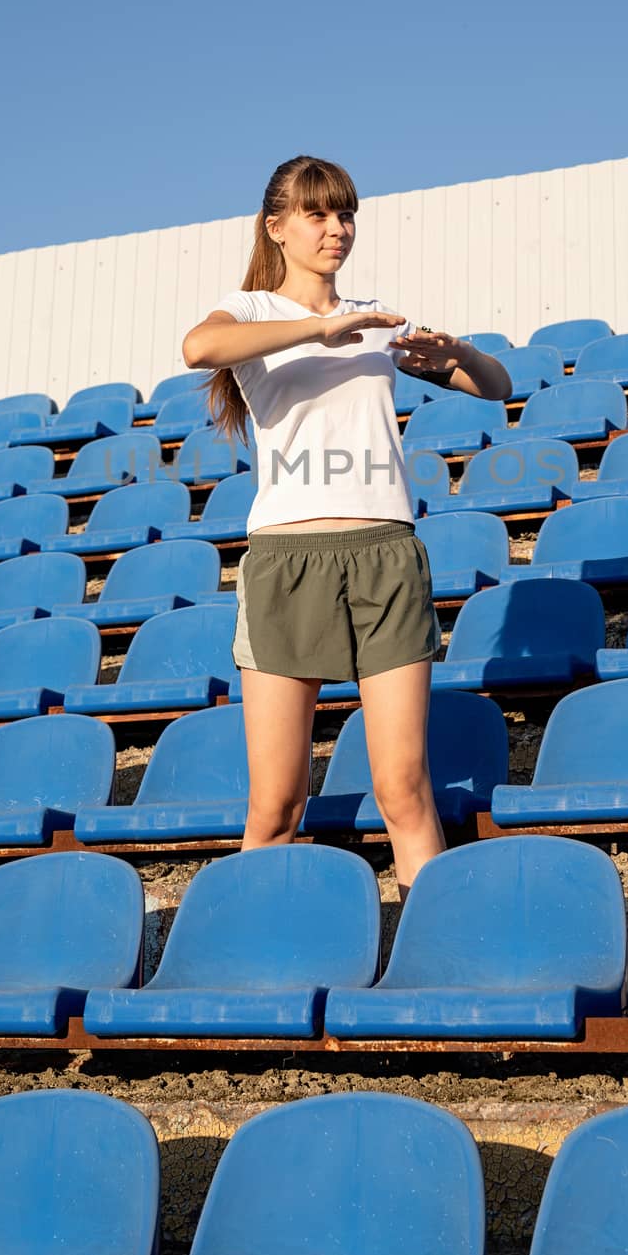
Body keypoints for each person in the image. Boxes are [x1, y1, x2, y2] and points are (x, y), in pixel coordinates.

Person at [181, 155, 512, 899]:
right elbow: (199, 348)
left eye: (345, 213)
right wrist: (319, 330)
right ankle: (253, 953)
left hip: (384, 555)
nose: (337, 229)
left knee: (404, 788)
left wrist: (456, 354)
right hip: (287, 562)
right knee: (275, 805)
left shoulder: (373, 321)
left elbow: (497, 387)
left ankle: (434, 959)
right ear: (277, 228)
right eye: (317, 214)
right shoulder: (257, 314)